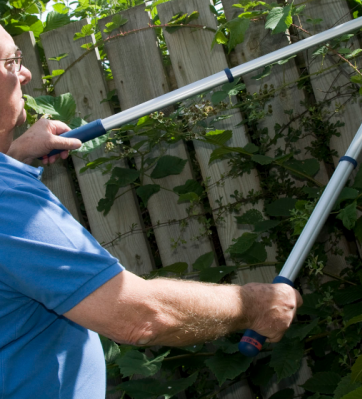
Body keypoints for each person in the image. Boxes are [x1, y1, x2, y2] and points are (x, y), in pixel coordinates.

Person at [0, 25, 302, 398]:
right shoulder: (7, 202)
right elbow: (138, 318)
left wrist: (12, 159)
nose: (25, 73)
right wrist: (254, 303)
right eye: (11, 62)